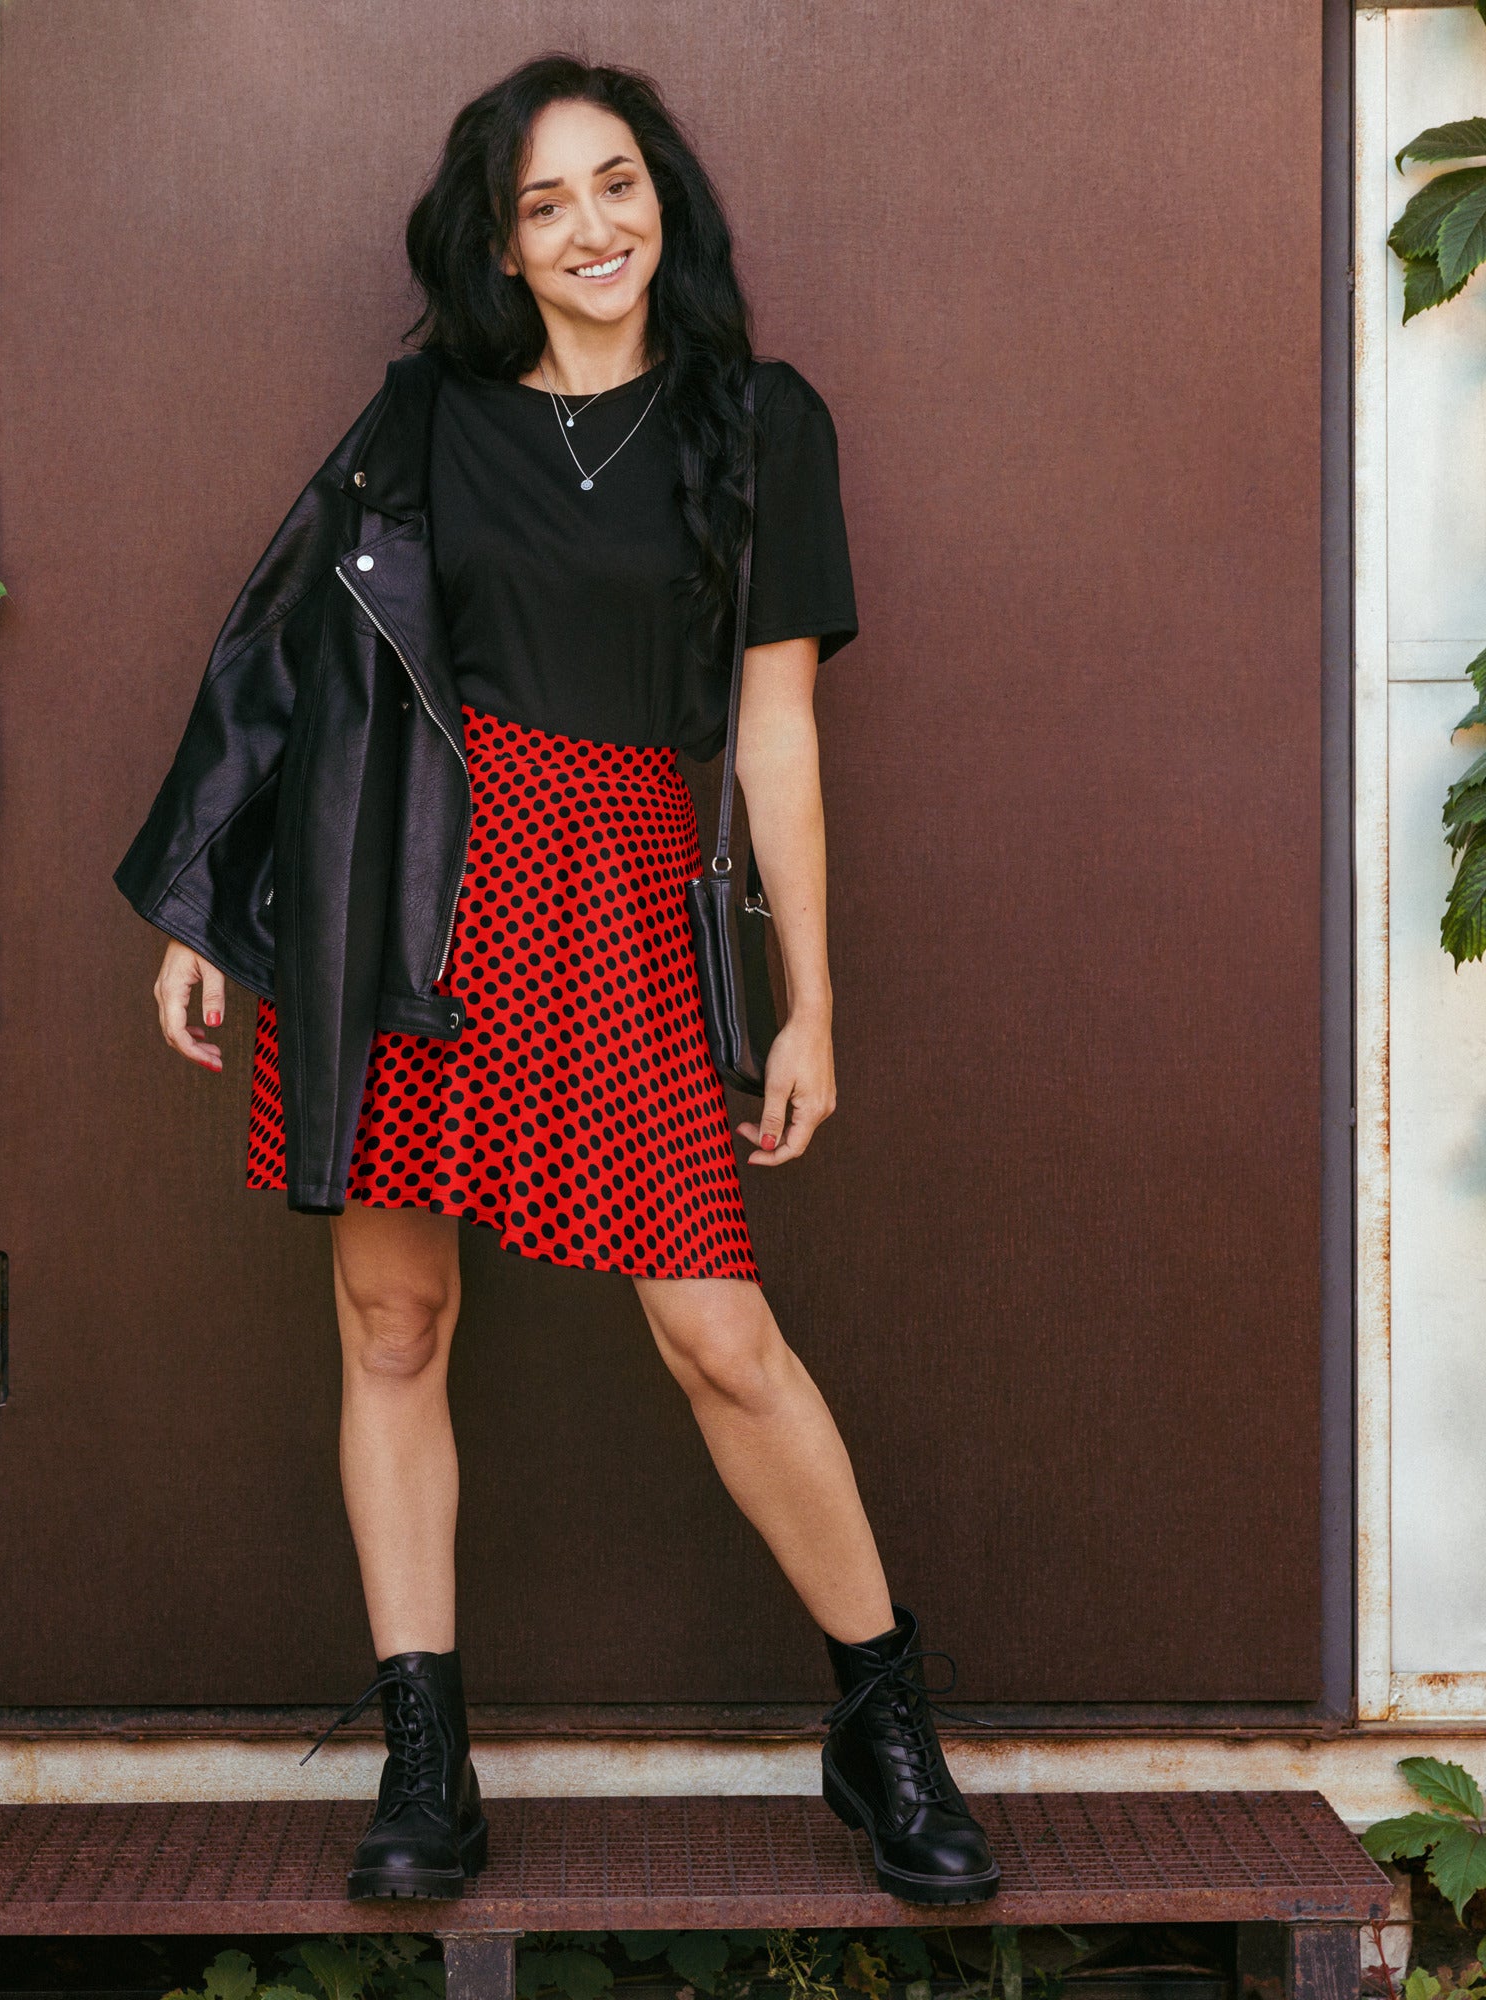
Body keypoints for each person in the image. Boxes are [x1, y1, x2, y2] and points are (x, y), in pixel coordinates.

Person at [115, 54, 999, 1909]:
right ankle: (427, 1763)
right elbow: (280, 647)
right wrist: (204, 899)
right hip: (401, 896)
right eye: (544, 205)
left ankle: (881, 1720)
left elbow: (775, 742)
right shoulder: (425, 413)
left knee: (717, 1334)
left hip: (614, 900)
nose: (591, 228)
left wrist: (808, 1007)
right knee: (392, 1324)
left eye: (617, 186)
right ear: (498, 245)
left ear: (663, 199)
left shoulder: (757, 422)